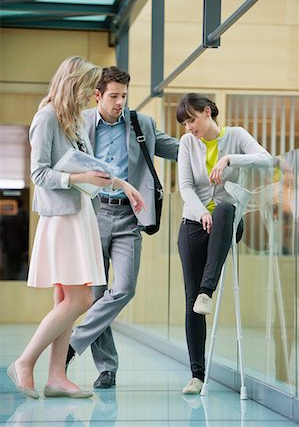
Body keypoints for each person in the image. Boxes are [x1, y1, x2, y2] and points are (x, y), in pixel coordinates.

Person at [7, 57, 145, 399]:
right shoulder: (47, 117)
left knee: (64, 297)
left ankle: (57, 377)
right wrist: (79, 178)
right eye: (88, 88)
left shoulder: (73, 121)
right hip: (62, 220)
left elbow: (90, 165)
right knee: (81, 297)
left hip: (81, 215)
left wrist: (122, 184)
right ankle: (24, 362)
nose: (92, 95)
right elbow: (39, 175)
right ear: (74, 84)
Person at [66, 66, 179, 389]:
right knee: (97, 294)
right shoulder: (80, 123)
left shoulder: (141, 124)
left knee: (125, 288)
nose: (120, 102)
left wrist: (217, 147)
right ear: (97, 95)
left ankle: (74, 342)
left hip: (130, 216)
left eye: (124, 96)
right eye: (114, 96)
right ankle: (108, 368)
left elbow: (176, 149)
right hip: (92, 215)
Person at [176, 93, 272, 395]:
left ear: (207, 112)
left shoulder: (237, 136)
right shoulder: (186, 143)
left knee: (228, 208)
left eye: (192, 120)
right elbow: (186, 187)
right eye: (185, 123)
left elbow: (266, 159)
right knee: (191, 300)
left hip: (228, 224)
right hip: (193, 222)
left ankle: (208, 291)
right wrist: (203, 212)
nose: (189, 127)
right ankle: (197, 376)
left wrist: (230, 159)